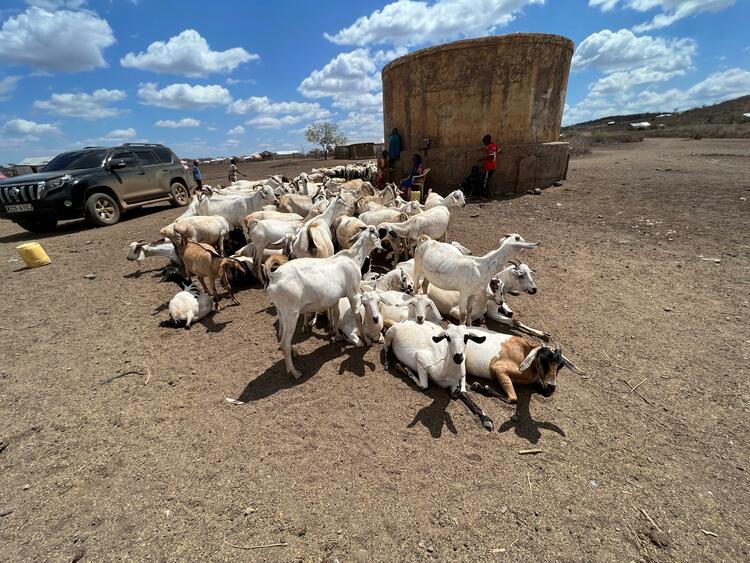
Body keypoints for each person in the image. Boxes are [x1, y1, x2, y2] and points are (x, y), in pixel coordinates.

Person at [479, 134, 498, 199]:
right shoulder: (494, 145)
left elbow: (491, 155)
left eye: (484, 141)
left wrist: (482, 159)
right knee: (486, 180)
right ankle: (487, 194)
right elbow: (499, 150)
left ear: (487, 140)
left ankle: (484, 195)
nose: (484, 143)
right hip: (493, 166)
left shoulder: (489, 146)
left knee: (485, 181)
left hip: (489, 167)